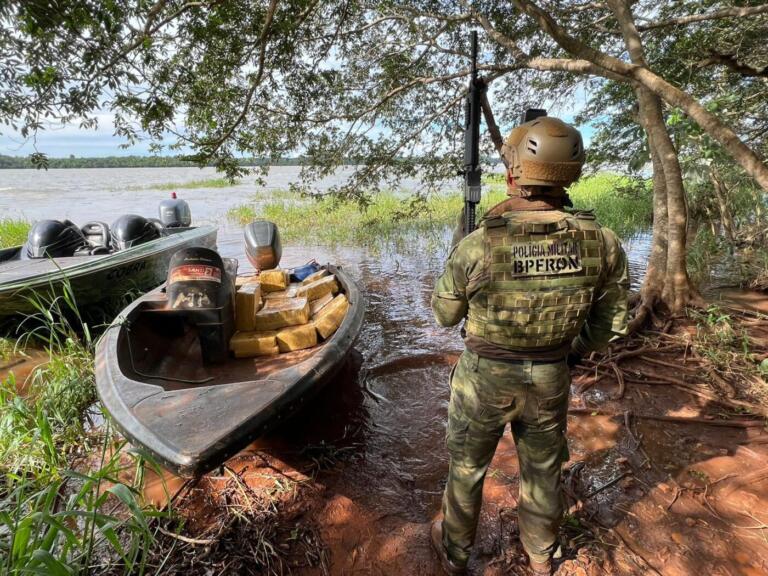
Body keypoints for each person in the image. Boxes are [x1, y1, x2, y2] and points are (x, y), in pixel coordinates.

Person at [430, 116, 629, 575]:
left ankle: (455, 554)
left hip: (484, 378)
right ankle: (541, 557)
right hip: (551, 376)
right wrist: (570, 351)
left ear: (512, 176)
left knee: (467, 468)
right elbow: (610, 324)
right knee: (542, 471)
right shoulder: (602, 241)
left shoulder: (479, 244)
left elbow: (445, 315)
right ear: (570, 176)